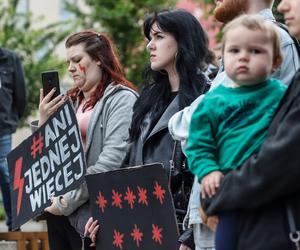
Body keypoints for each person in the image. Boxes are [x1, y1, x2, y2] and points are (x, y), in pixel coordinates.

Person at [168, 1, 300, 248]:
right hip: (222, 203)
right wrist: (208, 173)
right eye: (233, 52)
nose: (243, 58)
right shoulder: (219, 99)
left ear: (274, 59)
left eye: (255, 52)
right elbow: (195, 138)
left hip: (251, 204)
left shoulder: (272, 43)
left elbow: (281, 150)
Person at [85, 9, 211, 248]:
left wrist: (191, 236)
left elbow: (209, 173)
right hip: (141, 226)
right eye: (149, 39)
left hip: (180, 228)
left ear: (183, 40)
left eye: (159, 37)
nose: (149, 46)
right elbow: (127, 166)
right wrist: (104, 216)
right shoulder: (148, 99)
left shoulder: (208, 96)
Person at [37, 30, 138, 250]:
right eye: (68, 62)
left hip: (94, 215)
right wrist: (44, 120)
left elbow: (110, 162)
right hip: (60, 212)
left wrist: (67, 201)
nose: (71, 67)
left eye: (77, 60)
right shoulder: (70, 102)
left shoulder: (121, 99)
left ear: (99, 60)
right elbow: (46, 157)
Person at [0, 47, 26, 231]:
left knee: (5, 170)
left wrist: (12, 118)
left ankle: (14, 222)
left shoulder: (10, 58)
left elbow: (20, 94)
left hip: (3, 126)